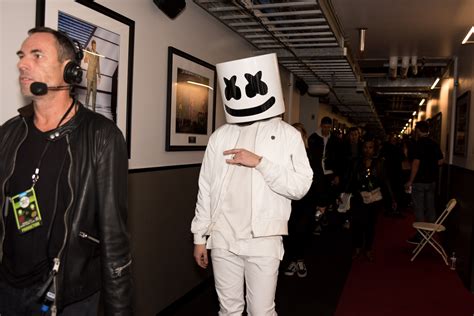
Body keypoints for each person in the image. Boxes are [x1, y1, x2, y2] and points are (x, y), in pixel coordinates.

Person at [0, 27, 132, 315]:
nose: (23, 63)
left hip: (68, 293)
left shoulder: (102, 135)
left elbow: (114, 235)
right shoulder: (9, 132)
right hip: (8, 289)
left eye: (37, 55)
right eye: (22, 56)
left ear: (70, 71)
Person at [191, 54, 313, 315]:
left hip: (264, 238)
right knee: (229, 310)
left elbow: (301, 186)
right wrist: (199, 237)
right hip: (223, 236)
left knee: (261, 311)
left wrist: (260, 162)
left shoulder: (287, 135)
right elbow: (207, 189)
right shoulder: (220, 136)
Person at [343, 137, 396, 262]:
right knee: (357, 224)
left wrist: (392, 198)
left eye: (370, 147)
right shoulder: (355, 162)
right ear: (362, 148)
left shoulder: (379, 163)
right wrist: (344, 194)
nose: (368, 150)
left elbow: (385, 181)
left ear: (374, 149)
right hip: (358, 198)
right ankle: (357, 247)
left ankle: (368, 249)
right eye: (365, 147)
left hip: (375, 199)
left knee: (370, 225)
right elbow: (350, 179)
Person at [283, 123, 314, 278]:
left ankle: (300, 260)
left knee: (302, 231)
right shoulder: (281, 155)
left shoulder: (311, 155)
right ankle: (293, 260)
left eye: (299, 135)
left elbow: (318, 178)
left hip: (306, 201)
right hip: (287, 202)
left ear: (304, 137)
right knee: (289, 232)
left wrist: (322, 202)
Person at [405, 120, 443, 244]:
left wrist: (410, 181)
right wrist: (431, 165)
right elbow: (440, 161)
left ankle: (421, 235)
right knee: (430, 207)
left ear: (418, 131)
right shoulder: (434, 144)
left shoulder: (418, 144)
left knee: (419, 209)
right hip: (431, 181)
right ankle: (430, 233)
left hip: (420, 181)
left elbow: (416, 163)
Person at [307, 116, 341, 235]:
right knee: (318, 198)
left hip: (329, 173)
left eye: (328, 127)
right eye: (324, 127)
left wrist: (337, 174)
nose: (326, 129)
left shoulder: (335, 140)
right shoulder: (313, 138)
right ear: (321, 126)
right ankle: (317, 222)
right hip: (317, 173)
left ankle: (323, 217)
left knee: (328, 198)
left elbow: (338, 159)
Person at [84, 39, 101, 111]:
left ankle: (94, 110)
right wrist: (86, 54)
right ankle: (86, 109)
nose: (94, 46)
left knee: (94, 94)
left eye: (95, 45)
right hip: (89, 75)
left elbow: (98, 65)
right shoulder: (89, 51)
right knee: (88, 92)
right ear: (91, 45)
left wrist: (99, 76)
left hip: (94, 76)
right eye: (93, 45)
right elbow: (85, 61)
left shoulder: (97, 54)